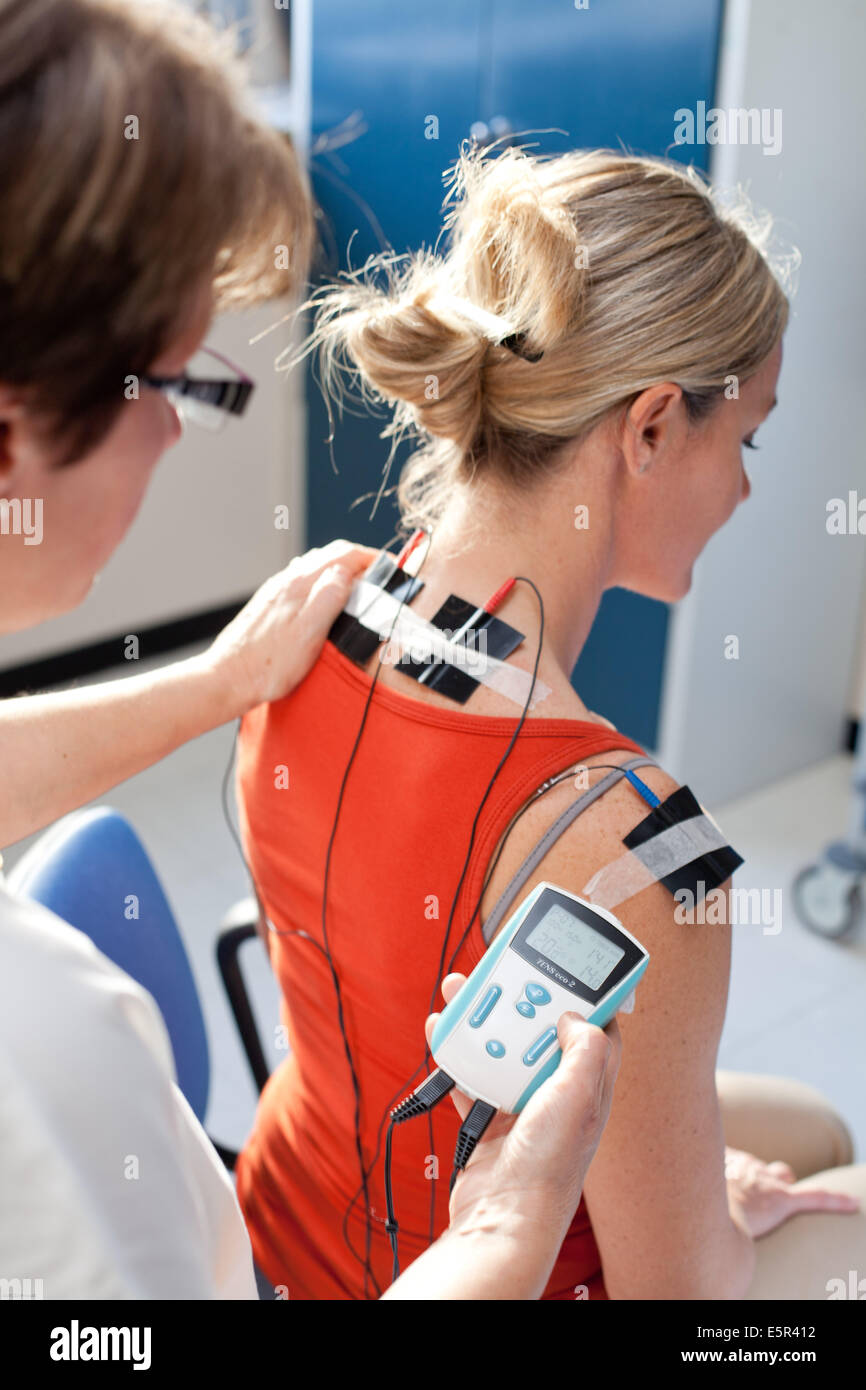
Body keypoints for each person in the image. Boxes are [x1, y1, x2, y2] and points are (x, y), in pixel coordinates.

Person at [0, 0, 622, 1300]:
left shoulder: (279, 698)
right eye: (173, 388)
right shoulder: (34, 1078)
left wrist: (218, 683)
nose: (180, 439)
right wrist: (503, 1239)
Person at [235, 142, 866, 1300]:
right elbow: (682, 1299)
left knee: (815, 1121)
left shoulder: (298, 623)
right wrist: (712, 1216)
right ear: (650, 428)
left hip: (282, 1216)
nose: (744, 490)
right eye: (748, 440)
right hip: (472, 1269)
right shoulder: (640, 849)